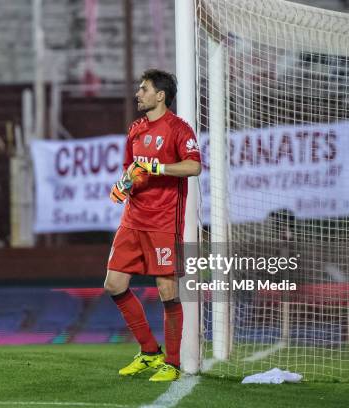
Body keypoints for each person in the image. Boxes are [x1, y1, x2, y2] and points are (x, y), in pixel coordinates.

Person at [106, 69, 201, 382]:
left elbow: (194, 166)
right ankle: (149, 352)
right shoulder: (135, 129)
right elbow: (131, 168)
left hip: (163, 220)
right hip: (133, 219)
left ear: (160, 95)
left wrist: (158, 167)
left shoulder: (178, 129)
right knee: (114, 284)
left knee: (166, 290)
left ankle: (171, 363)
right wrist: (123, 185)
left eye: (144, 89)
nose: (138, 94)